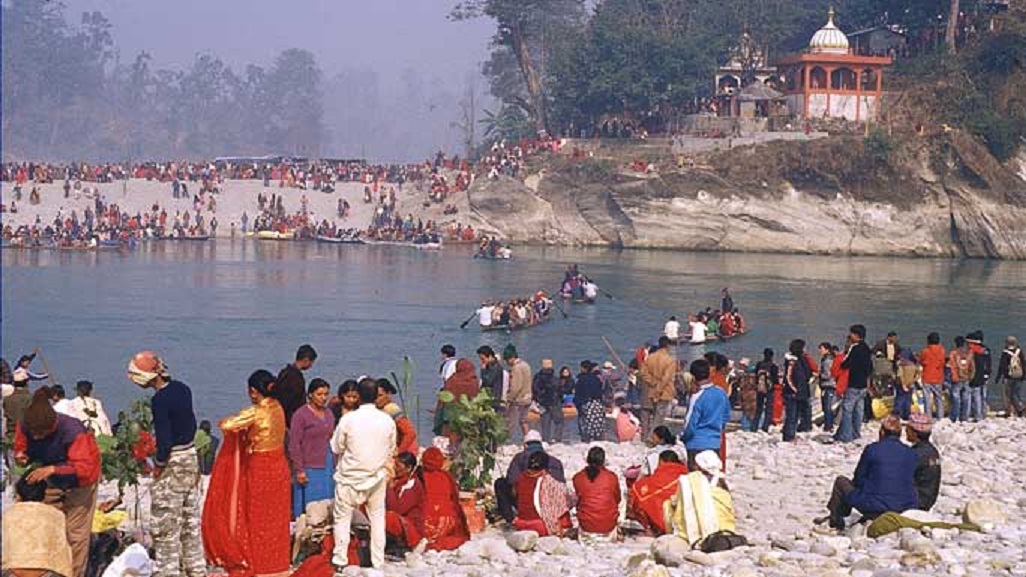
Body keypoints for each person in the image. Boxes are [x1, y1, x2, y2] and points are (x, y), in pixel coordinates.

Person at [204, 369, 291, 577]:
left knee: (257, 517)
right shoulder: (279, 407)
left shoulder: (257, 411)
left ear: (253, 391)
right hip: (279, 466)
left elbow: (227, 425)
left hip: (260, 468)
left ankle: (260, 562)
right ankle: (277, 561)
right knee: (276, 517)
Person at [127, 352, 204, 577]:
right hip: (190, 457)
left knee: (166, 524)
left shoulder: (159, 400)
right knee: (190, 521)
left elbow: (165, 438)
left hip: (173, 461)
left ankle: (169, 571)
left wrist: (159, 465)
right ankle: (196, 569)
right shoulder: (182, 388)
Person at [12, 387, 101, 577]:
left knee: (75, 534)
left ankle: (74, 574)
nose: (35, 437)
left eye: (40, 434)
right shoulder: (26, 425)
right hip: (51, 480)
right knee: (48, 526)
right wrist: (21, 455)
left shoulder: (73, 430)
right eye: (33, 433)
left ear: (52, 426)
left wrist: (54, 469)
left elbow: (85, 468)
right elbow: (21, 446)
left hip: (81, 482)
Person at [330, 378, 397, 570]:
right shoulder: (387, 420)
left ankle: (340, 560)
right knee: (377, 519)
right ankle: (378, 561)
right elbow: (391, 448)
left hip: (349, 478)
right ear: (376, 395)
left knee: (342, 519)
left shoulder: (348, 419)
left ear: (358, 396)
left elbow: (336, 447)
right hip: (376, 477)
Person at [819, 415, 918, 530]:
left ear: (882, 432)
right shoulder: (910, 453)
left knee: (841, 482)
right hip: (903, 508)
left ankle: (836, 520)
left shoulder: (872, 449)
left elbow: (858, 478)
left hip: (874, 507)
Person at [2, 475, 74, 577]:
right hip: (46, 573)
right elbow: (63, 552)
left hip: (12, 573)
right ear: (44, 494)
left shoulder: (8, 514)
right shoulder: (56, 515)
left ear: (18, 495)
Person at [289, 378, 338, 519]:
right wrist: (299, 469)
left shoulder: (329, 413)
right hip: (309, 464)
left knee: (328, 502)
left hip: (328, 464)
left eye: (326, 394)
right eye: (319, 394)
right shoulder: (301, 415)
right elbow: (294, 444)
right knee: (311, 505)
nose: (323, 398)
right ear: (310, 395)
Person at [665, 451, 736, 546]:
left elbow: (678, 502)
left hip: (693, 530)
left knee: (667, 505)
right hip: (725, 528)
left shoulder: (689, 480)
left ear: (697, 466)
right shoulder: (722, 484)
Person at [494, 430, 565, 523]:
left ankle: (509, 518)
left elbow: (511, 480)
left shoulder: (519, 458)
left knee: (500, 483)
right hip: (551, 505)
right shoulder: (555, 461)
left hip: (527, 504)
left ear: (525, 445)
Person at [681, 359, 729, 470]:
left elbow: (690, 424)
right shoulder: (721, 392)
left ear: (693, 377)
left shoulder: (697, 396)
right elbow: (725, 416)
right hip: (714, 442)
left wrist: (684, 438)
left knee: (696, 479)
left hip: (696, 443)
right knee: (711, 477)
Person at [419, 448, 471, 551]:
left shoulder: (418, 475)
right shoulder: (447, 476)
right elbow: (455, 501)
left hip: (425, 524)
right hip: (445, 524)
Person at [627, 450, 689, 536]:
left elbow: (639, 493)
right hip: (686, 522)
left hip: (662, 522)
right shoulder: (688, 477)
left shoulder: (655, 481)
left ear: (661, 462)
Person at [512, 451, 572, 536]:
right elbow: (565, 499)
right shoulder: (547, 481)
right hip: (540, 526)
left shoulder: (520, 478)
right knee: (562, 510)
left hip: (520, 524)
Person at [572, 447, 621, 543]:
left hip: (586, 525)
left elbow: (580, 498)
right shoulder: (611, 477)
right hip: (608, 525)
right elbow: (617, 499)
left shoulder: (578, 477)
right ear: (603, 461)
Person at [836, 325, 873, 443]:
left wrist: (841, 363)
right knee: (859, 410)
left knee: (847, 410)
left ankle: (846, 436)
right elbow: (870, 366)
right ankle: (856, 433)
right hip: (863, 384)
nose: (850, 336)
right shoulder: (867, 348)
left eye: (851, 334)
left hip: (854, 383)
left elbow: (846, 363)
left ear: (856, 335)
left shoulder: (855, 348)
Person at [384, 452, 425, 553]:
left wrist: (388, 487)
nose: (394, 468)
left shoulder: (412, 484)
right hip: (399, 520)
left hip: (410, 527)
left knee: (389, 517)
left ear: (408, 468)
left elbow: (397, 509)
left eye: (398, 466)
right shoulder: (398, 481)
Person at [640, 336, 677, 436]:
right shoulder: (670, 360)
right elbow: (666, 378)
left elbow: (643, 373)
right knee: (658, 419)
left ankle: (647, 436)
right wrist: (658, 389)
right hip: (664, 392)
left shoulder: (650, 358)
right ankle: (653, 438)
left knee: (652, 416)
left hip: (651, 390)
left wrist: (652, 382)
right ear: (668, 346)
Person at [906, 413, 941, 512]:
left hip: (917, 501)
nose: (905, 431)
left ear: (914, 433)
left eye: (908, 429)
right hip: (928, 499)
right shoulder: (933, 451)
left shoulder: (915, 454)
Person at [782, 339, 815, 442]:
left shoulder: (803, 359)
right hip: (793, 392)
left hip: (802, 391)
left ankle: (794, 433)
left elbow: (809, 372)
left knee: (798, 415)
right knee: (791, 415)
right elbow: (788, 377)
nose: (806, 349)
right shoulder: (792, 361)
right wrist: (795, 390)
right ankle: (788, 436)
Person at [277, 344, 318, 427]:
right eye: (311, 362)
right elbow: (289, 401)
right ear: (306, 360)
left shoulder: (285, 372)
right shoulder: (295, 378)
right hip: (291, 419)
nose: (311, 366)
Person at [375, 378, 418, 455]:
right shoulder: (380, 409)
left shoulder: (392, 409)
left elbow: (410, 433)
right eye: (375, 396)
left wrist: (398, 453)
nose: (377, 399)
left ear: (388, 394)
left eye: (380, 395)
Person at [503, 345, 532, 441]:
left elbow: (516, 387)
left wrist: (509, 398)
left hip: (519, 399)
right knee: (524, 421)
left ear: (511, 358)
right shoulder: (526, 365)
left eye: (507, 360)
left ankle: (506, 441)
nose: (507, 363)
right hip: (528, 397)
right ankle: (528, 439)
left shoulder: (516, 368)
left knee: (511, 422)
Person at [532, 359, 564, 443]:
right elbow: (560, 390)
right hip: (554, 402)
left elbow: (534, 390)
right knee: (559, 421)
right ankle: (557, 439)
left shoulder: (537, 377)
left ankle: (545, 440)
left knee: (545, 424)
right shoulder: (555, 378)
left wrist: (537, 400)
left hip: (542, 403)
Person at [574, 360, 606, 442]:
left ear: (583, 368)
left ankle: (586, 441)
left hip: (586, 404)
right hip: (597, 403)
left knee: (585, 426)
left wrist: (578, 404)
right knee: (598, 425)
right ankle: (598, 440)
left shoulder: (581, 379)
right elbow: (600, 392)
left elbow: (578, 394)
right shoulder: (596, 379)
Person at [918, 333, 947, 420]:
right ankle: (940, 416)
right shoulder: (942, 350)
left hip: (927, 376)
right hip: (938, 377)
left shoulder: (925, 351)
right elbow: (943, 362)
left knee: (927, 398)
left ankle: (928, 416)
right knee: (938, 398)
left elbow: (922, 361)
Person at [997, 335, 1026, 417]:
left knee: (1008, 395)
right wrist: (1024, 375)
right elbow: (1023, 363)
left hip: (1009, 376)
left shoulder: (1005, 352)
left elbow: (1002, 365)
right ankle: (1019, 408)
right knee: (1017, 393)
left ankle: (1014, 410)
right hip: (1019, 375)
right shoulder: (1019, 351)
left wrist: (999, 377)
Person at [965, 331, 991, 421]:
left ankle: (966, 415)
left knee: (969, 396)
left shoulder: (972, 351)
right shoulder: (985, 350)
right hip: (983, 376)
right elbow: (988, 364)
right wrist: (987, 375)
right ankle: (980, 415)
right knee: (981, 397)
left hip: (972, 377)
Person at [948, 336, 975, 422]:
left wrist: (953, 376)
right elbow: (972, 366)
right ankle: (964, 417)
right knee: (966, 398)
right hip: (966, 378)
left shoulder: (953, 353)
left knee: (956, 399)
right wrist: (971, 376)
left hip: (957, 379)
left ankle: (954, 417)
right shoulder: (969, 353)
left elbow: (952, 366)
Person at [753, 349, 779, 432]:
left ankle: (754, 427)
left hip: (760, 389)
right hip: (769, 390)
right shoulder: (773, 366)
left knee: (758, 409)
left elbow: (756, 376)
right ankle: (765, 427)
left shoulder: (759, 364)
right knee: (769, 409)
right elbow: (775, 380)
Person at [818, 343, 837, 432]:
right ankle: (828, 424)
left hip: (829, 385)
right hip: (826, 385)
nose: (819, 351)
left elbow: (828, 374)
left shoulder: (827, 361)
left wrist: (819, 375)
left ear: (827, 350)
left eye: (821, 349)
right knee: (826, 406)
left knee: (827, 407)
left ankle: (829, 425)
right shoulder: (825, 359)